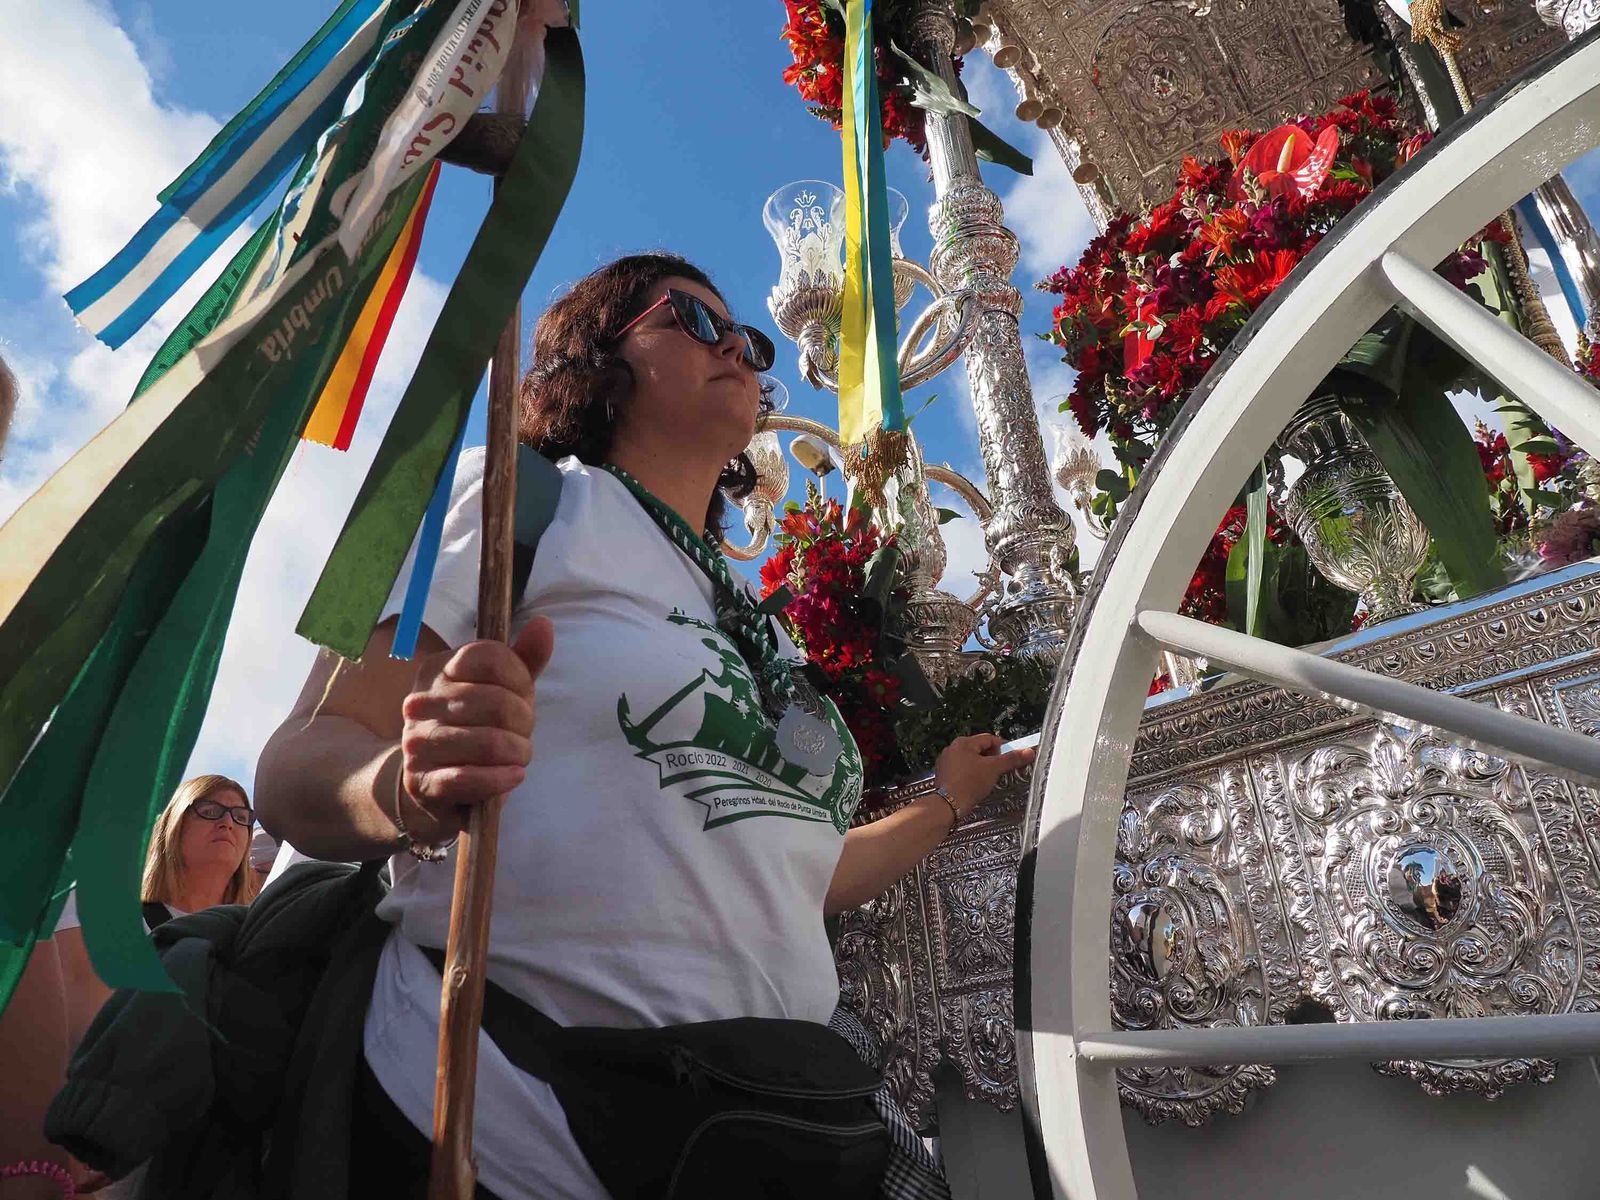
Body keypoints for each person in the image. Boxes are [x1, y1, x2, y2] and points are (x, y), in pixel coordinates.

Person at [254, 252, 1034, 1200]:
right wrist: (409, 787)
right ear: (596, 360)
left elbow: (802, 874)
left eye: (746, 339)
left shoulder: (766, 622)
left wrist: (948, 803)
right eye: (693, 323)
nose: (739, 352)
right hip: (508, 1126)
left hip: (755, 1128)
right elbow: (297, 768)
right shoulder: (511, 497)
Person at [1, 774, 260, 1198]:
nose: (227, 822)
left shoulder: (258, 946)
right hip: (97, 1156)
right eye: (209, 810)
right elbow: (69, 1016)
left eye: (241, 816)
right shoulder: (108, 914)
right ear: (172, 824)